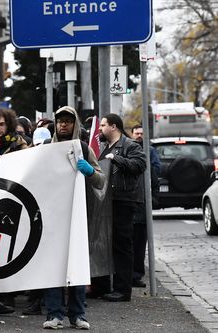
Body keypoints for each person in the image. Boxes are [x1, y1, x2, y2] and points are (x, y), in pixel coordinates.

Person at [42, 106, 105, 330]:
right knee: (53, 267)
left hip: (78, 217)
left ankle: (78, 315)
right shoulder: (44, 149)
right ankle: (54, 313)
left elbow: (101, 180)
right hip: (52, 217)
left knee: (77, 267)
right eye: (60, 121)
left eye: (68, 121)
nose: (63, 125)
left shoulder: (84, 149)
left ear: (75, 124)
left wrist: (89, 171)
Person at [97, 113, 146, 302]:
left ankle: (123, 289)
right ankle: (109, 286)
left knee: (122, 244)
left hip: (124, 200)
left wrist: (116, 159)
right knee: (111, 244)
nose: (101, 129)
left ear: (114, 127)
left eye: (103, 125)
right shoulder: (106, 147)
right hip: (110, 200)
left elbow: (139, 165)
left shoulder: (129, 145)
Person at [131, 124, 161, 288]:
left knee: (140, 243)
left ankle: (136, 275)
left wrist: (153, 199)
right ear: (132, 134)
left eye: (142, 133)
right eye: (137, 133)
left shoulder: (149, 151)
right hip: (130, 204)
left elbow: (155, 173)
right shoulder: (126, 150)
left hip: (142, 206)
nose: (139, 135)